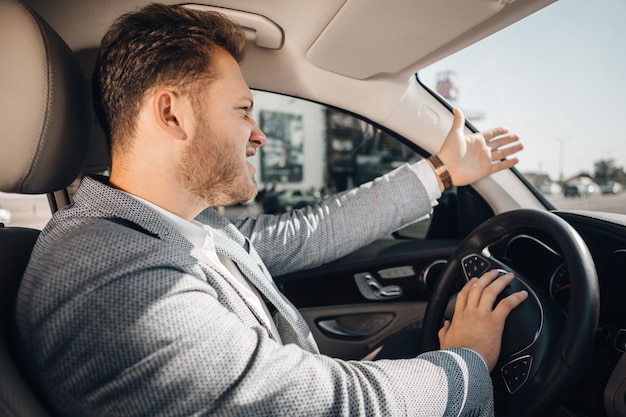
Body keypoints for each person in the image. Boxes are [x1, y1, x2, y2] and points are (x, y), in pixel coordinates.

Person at [16, 4, 527, 417]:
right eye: (242, 111)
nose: (258, 135)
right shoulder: (111, 279)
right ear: (172, 113)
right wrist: (468, 362)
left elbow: (308, 233)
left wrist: (442, 172)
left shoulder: (170, 228)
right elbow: (331, 406)